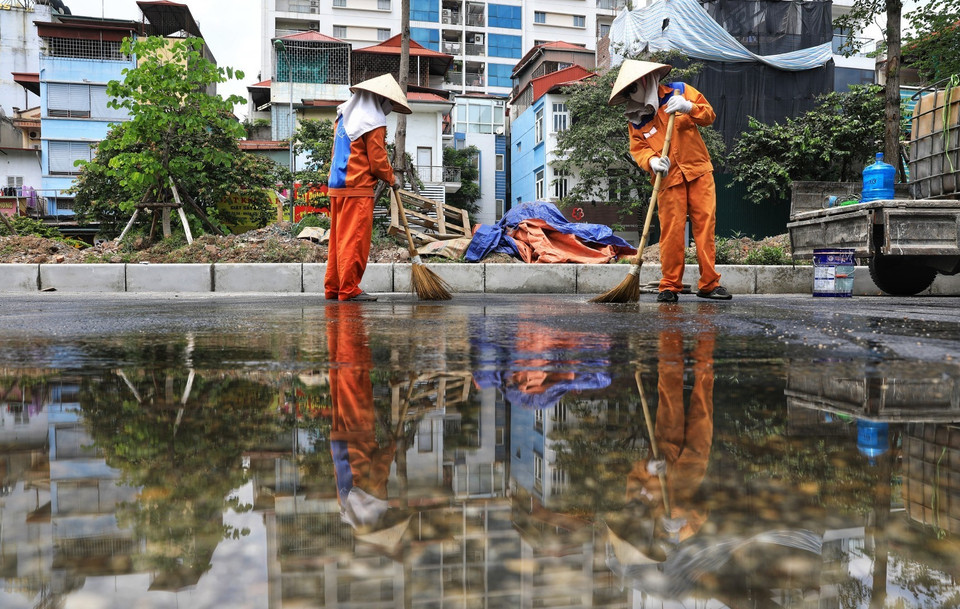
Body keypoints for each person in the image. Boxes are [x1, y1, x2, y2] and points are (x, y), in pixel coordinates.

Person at [608, 59, 732, 302]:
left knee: (705, 228)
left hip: (698, 171)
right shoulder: (636, 118)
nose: (631, 97)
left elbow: (709, 116)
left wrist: (688, 107)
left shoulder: (681, 91)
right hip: (667, 180)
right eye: (626, 93)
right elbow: (639, 149)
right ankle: (669, 286)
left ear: (644, 81)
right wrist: (651, 162)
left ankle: (709, 284)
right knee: (671, 232)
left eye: (632, 89)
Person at [325, 73, 411, 302]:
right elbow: (377, 160)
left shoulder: (343, 116)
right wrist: (392, 178)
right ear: (378, 99)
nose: (389, 107)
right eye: (389, 103)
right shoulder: (373, 120)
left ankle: (334, 287)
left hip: (337, 185)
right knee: (354, 240)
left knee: (337, 241)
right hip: (357, 186)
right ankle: (349, 289)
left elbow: (335, 153)